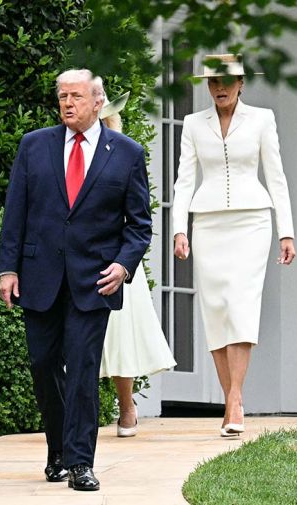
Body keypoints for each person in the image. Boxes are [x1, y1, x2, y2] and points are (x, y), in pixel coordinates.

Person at [0, 69, 152, 492]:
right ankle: (59, 449)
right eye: (62, 96)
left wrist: (123, 266)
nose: (67, 103)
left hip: (95, 281)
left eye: (76, 97)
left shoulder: (126, 152)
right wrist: (7, 269)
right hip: (39, 276)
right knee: (44, 365)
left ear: (97, 102)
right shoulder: (34, 146)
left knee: (83, 370)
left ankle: (81, 462)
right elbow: (16, 214)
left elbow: (138, 226)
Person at [172, 54, 296, 437]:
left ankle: (235, 398)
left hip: (252, 221)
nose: (219, 88)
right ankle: (231, 397)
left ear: (241, 83)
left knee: (241, 303)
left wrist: (285, 231)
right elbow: (183, 180)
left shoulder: (261, 119)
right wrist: (180, 229)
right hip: (207, 222)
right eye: (212, 83)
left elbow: (276, 177)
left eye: (226, 81)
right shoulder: (193, 124)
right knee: (216, 308)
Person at [96, 95, 176, 438]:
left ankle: (126, 404)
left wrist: (124, 261)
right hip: (74, 256)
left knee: (119, 334)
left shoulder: (124, 154)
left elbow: (138, 217)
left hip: (116, 259)